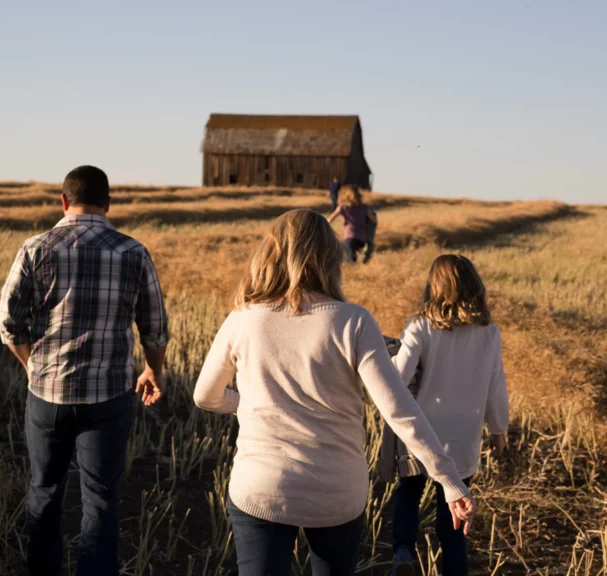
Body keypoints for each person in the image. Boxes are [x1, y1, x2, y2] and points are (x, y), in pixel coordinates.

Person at [192, 209, 474, 576]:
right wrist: (449, 481)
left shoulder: (242, 318)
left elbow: (205, 396)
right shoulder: (353, 321)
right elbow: (398, 410)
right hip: (337, 492)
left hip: (262, 488)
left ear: (271, 254)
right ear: (330, 257)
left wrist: (249, 404)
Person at [0, 165, 169, 576]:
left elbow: (9, 322)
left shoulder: (35, 248)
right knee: (102, 498)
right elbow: (155, 329)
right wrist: (152, 371)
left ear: (63, 201)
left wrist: (31, 366)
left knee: (44, 491)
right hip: (109, 397)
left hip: (47, 396)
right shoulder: (133, 252)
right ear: (108, 204)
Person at [390, 254, 509, 576]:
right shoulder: (489, 333)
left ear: (434, 285)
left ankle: (402, 549)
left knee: (409, 490)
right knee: (454, 509)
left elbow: (398, 377)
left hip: (422, 430)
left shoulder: (421, 326)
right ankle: (454, 567)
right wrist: (498, 430)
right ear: (475, 286)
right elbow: (496, 386)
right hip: (465, 434)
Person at [328, 185, 377, 263]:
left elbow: (330, 219)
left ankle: (354, 268)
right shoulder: (364, 207)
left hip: (350, 237)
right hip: (362, 238)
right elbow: (374, 220)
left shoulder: (342, 207)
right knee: (355, 257)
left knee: (349, 259)